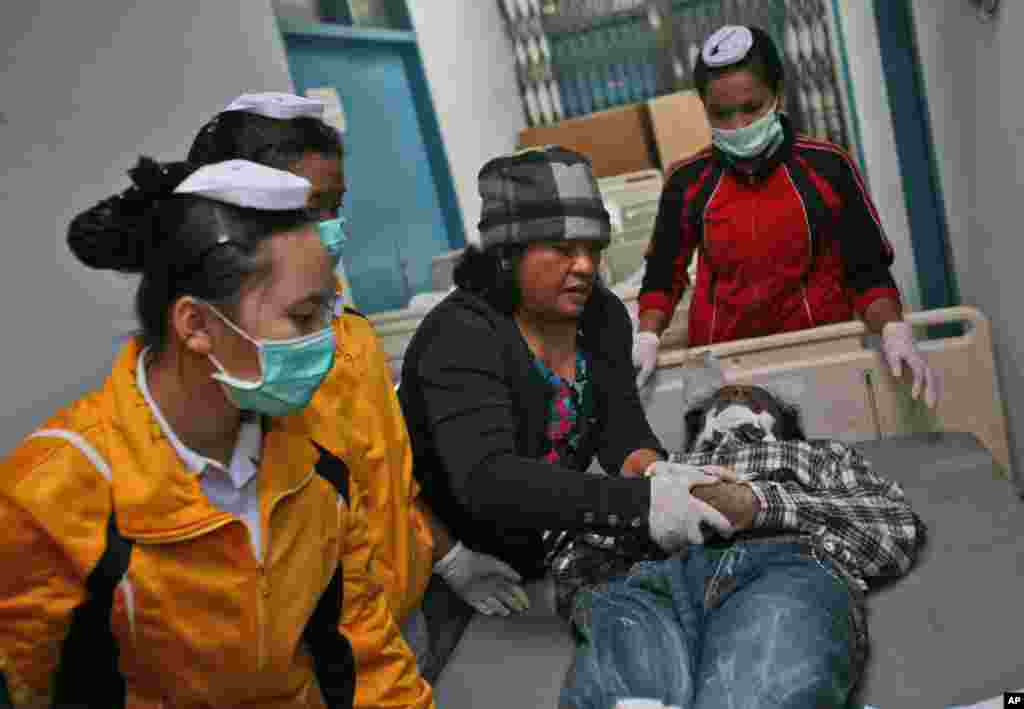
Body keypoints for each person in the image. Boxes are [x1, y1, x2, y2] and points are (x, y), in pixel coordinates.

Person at [0, 158, 432, 708]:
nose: (328, 337)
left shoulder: (316, 462)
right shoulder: (51, 493)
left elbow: (369, 661)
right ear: (197, 325)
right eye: (303, 317)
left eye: (327, 310)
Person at [188, 93, 529, 678]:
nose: (329, 226)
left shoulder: (351, 335)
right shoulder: (243, 374)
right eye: (309, 207)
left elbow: (389, 484)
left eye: (335, 205)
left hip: (402, 623)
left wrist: (450, 558)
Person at [398, 145, 736, 622]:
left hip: (536, 550)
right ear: (507, 253)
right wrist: (453, 560)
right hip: (450, 556)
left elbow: (620, 431)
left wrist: (658, 473)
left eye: (593, 248)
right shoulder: (460, 336)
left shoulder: (601, 316)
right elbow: (487, 479)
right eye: (562, 249)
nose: (585, 265)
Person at [632, 25, 941, 410]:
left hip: (819, 356)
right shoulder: (688, 182)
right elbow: (663, 275)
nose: (738, 126)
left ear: (777, 94)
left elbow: (867, 272)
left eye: (751, 108)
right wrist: (647, 337)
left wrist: (893, 329)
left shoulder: (827, 167)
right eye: (721, 114)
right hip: (726, 369)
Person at [563, 382, 926, 708]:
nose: (735, 392)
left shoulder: (819, 454)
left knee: (755, 693)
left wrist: (756, 503)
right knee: (626, 697)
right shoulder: (664, 467)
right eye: (722, 396)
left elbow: (892, 525)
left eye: (753, 395)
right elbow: (580, 554)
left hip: (782, 565)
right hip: (651, 579)